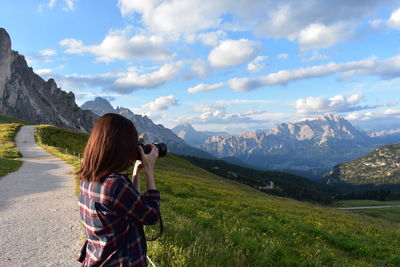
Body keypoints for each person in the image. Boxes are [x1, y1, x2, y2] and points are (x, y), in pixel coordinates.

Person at [76, 113, 161, 267]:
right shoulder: (115, 185)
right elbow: (151, 216)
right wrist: (149, 170)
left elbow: (130, 209)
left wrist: (136, 173)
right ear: (119, 148)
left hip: (96, 259)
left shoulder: (87, 178)